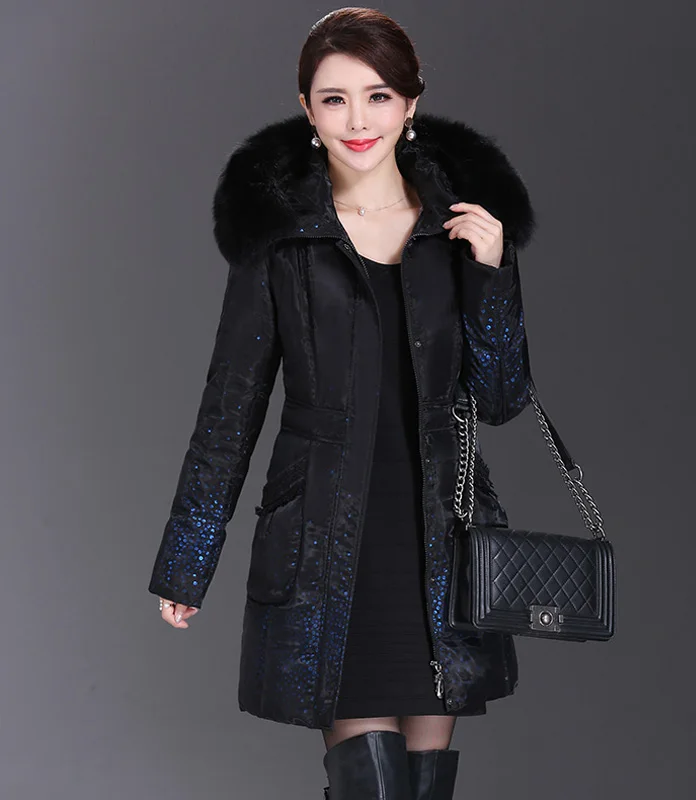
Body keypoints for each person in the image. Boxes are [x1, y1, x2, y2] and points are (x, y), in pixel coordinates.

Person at [148, 7, 536, 799]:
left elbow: (500, 399)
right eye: (335, 99)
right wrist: (188, 560)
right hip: (326, 547)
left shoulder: (457, 233)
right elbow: (229, 409)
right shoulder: (281, 240)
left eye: (378, 96)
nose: (358, 121)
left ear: (411, 104)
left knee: (424, 787)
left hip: (440, 547)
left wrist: (492, 274)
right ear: (307, 109)